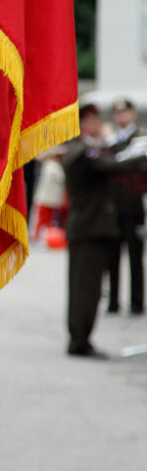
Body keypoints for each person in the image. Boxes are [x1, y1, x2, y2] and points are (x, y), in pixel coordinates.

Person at [62, 103, 147, 358]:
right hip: (89, 229)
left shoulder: (85, 149)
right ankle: (80, 342)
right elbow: (112, 166)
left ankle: (81, 338)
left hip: (90, 228)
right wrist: (141, 156)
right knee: (85, 289)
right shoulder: (82, 151)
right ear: (85, 125)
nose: (100, 125)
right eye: (95, 121)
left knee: (87, 288)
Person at [105, 98, 145, 314]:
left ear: (132, 114)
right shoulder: (110, 139)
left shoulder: (140, 138)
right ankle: (113, 301)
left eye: (125, 112)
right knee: (112, 256)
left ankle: (137, 301)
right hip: (113, 206)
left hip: (133, 204)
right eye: (118, 113)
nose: (121, 117)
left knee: (135, 255)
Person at [32, 145, 68, 243]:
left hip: (51, 199)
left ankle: (45, 238)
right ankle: (38, 238)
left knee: (47, 220)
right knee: (43, 220)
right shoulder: (51, 166)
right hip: (46, 199)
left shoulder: (51, 165)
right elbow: (62, 178)